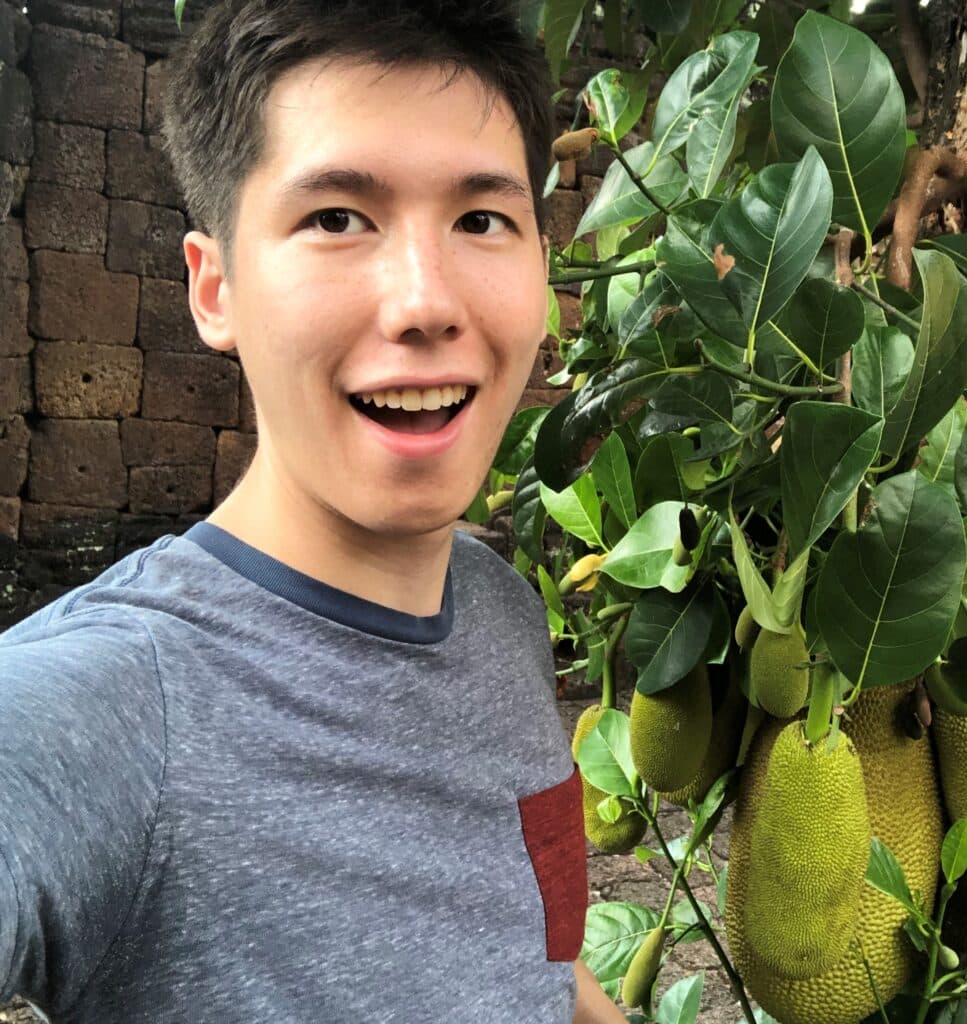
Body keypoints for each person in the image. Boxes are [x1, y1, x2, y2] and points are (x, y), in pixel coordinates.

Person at [0, 1, 631, 1021]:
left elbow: (544, 957)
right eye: (337, 217)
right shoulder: (108, 707)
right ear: (215, 290)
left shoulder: (503, 613)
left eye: (482, 219)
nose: (426, 301)